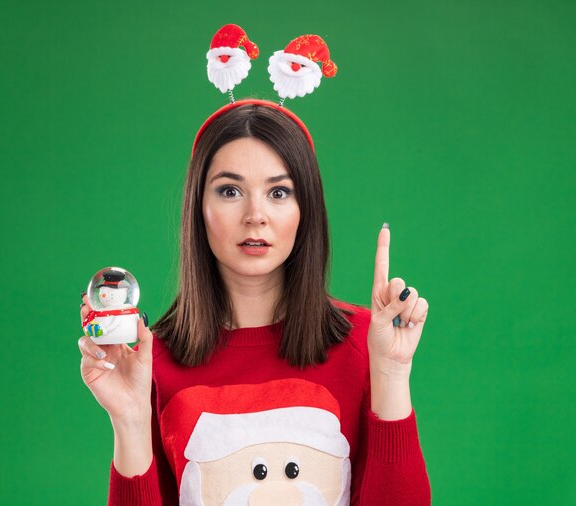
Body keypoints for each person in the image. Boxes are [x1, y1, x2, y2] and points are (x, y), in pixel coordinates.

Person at [78, 101, 431, 505]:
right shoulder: (146, 362)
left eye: (279, 192)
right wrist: (130, 420)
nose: (255, 215)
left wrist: (391, 373)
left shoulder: (368, 342)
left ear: (306, 210)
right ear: (199, 208)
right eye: (230, 191)